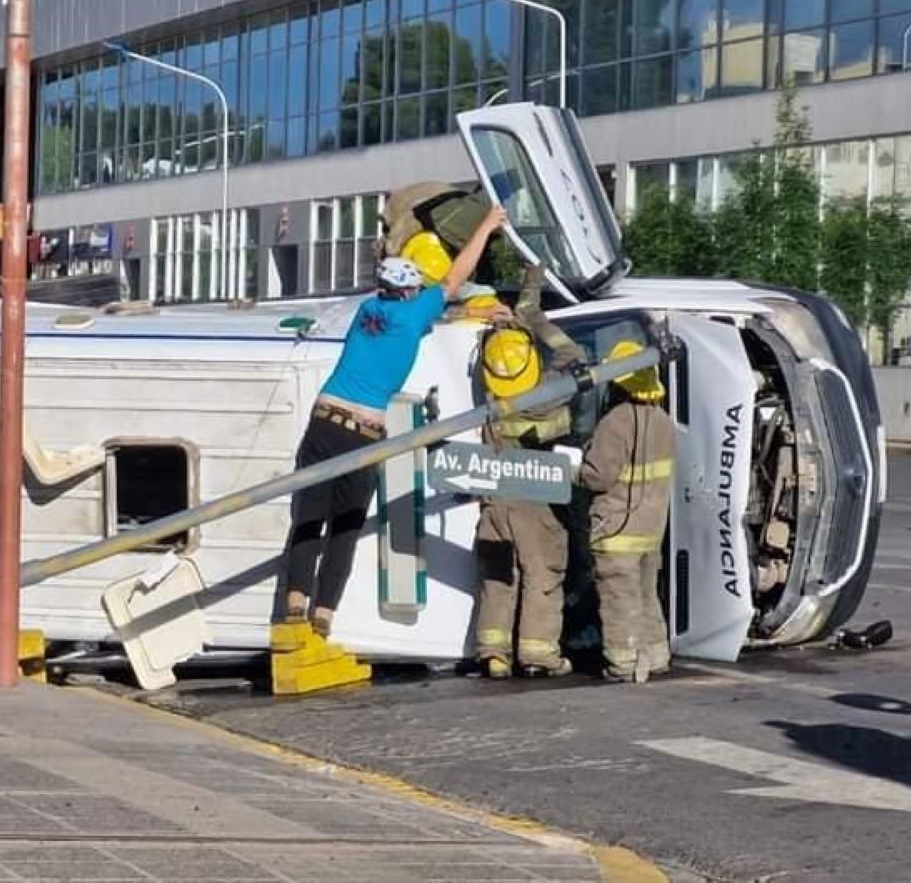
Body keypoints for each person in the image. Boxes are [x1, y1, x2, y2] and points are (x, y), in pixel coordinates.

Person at [276, 206, 508, 637]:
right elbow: (458, 274)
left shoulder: (367, 311)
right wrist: (488, 224)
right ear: (409, 292)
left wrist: (464, 315)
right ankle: (324, 613)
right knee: (344, 528)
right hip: (363, 434)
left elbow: (424, 319)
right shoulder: (415, 311)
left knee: (308, 518)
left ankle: (295, 600)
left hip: (324, 421)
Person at [469, 264, 587, 679]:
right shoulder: (551, 392)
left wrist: (492, 329)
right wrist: (530, 309)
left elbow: (493, 358)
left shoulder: (489, 394)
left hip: (495, 504)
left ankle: (494, 654)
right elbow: (574, 355)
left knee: (498, 579)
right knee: (542, 576)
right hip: (539, 506)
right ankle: (537, 655)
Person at [577, 339, 675, 682]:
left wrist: (573, 469)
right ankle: (657, 655)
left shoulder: (615, 422)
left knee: (620, 601)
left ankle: (623, 663)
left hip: (616, 530)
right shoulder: (664, 421)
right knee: (648, 597)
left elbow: (598, 476)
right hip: (650, 532)